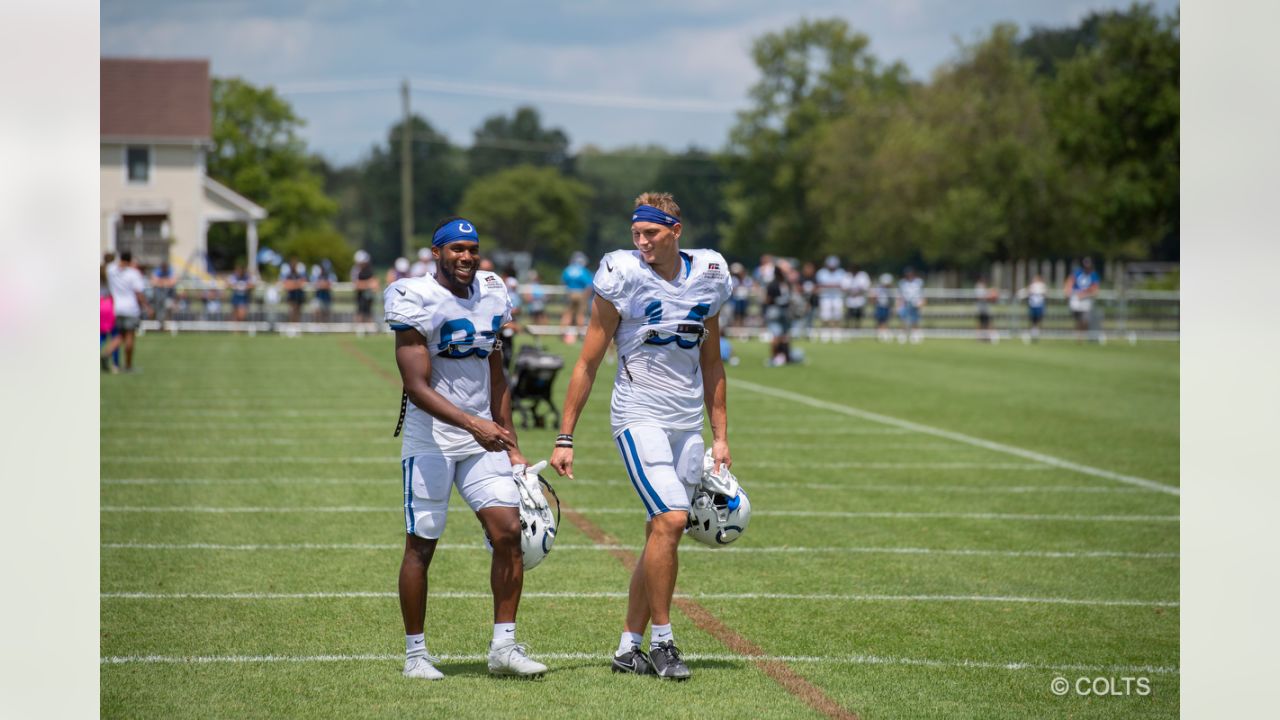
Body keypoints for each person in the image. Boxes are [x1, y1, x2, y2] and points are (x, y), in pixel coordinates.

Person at [550, 193, 733, 681]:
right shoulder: (622, 274)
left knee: (659, 533)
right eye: (636, 233)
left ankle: (627, 648)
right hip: (638, 416)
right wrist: (565, 435)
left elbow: (712, 362)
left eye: (650, 233)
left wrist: (720, 436)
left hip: (686, 422)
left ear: (676, 229)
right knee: (672, 520)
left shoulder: (711, 273)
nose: (641, 241)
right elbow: (587, 361)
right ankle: (663, 643)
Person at [384, 216, 547, 681]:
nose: (465, 257)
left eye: (472, 249)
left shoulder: (493, 292)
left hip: (483, 438)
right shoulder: (412, 296)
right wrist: (474, 424)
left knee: (508, 532)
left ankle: (504, 647)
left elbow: (497, 373)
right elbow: (415, 386)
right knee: (422, 544)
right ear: (436, 253)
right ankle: (416, 655)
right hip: (431, 436)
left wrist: (509, 440)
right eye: (456, 249)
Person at [105, 250, 151, 372]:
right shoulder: (133, 274)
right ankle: (128, 366)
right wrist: (147, 307)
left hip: (117, 308)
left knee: (121, 335)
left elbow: (110, 264)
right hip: (131, 308)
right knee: (129, 336)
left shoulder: (111, 270)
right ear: (130, 260)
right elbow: (139, 293)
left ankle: (106, 353)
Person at [763, 260, 795, 366]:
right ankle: (786, 357)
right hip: (785, 310)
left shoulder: (772, 284)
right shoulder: (786, 283)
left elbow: (767, 299)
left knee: (776, 336)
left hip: (774, 310)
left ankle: (774, 358)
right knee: (785, 336)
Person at [560, 251, 592, 343]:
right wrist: (586, 296)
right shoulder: (584, 271)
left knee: (568, 313)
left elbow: (564, 281)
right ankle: (580, 334)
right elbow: (588, 285)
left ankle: (563, 332)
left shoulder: (568, 269)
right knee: (580, 314)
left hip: (570, 292)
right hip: (581, 293)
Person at [1065, 257, 1100, 341]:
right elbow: (1070, 281)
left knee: (1085, 320)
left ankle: (1081, 336)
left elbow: (1095, 289)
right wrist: (1067, 291)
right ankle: (1078, 335)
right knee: (1078, 319)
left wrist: (1086, 294)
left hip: (1086, 299)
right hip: (1076, 298)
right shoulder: (1077, 272)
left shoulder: (1093, 274)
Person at [814, 255, 846, 336]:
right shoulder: (821, 272)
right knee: (825, 315)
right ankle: (825, 332)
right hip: (825, 297)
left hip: (837, 296)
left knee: (837, 315)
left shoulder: (841, 272)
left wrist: (830, 285)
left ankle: (836, 332)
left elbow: (843, 285)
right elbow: (819, 285)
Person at [100, 265, 121, 373]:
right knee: (115, 336)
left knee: (101, 336)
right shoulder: (113, 280)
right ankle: (115, 364)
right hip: (110, 306)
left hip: (100, 306)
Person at [897, 267, 925, 344]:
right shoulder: (902, 282)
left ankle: (915, 334)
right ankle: (903, 335)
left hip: (915, 303)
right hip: (905, 303)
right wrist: (899, 304)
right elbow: (900, 295)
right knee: (903, 319)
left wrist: (921, 302)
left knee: (915, 320)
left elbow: (922, 293)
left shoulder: (918, 282)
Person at [1017, 274, 1048, 342]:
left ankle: (1037, 334)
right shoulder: (1032, 286)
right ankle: (1033, 334)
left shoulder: (1042, 286)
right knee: (1032, 320)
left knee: (1038, 320)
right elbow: (1027, 292)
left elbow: (1045, 293)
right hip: (1033, 305)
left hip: (1039, 306)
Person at [352, 250, 379, 323]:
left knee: (369, 313)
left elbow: (375, 284)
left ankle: (370, 331)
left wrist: (367, 284)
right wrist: (368, 284)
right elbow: (356, 285)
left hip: (369, 297)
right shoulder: (355, 270)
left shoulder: (370, 269)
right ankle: (358, 330)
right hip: (360, 297)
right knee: (360, 313)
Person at [280, 256, 307, 323]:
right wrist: (296, 284)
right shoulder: (288, 275)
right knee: (291, 311)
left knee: (298, 311)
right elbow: (286, 285)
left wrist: (294, 284)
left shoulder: (299, 274)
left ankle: (296, 326)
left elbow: (303, 282)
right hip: (291, 296)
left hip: (299, 296)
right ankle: (291, 325)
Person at [844, 263, 871, 331]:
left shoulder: (863, 275)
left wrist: (857, 292)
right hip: (850, 300)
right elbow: (844, 287)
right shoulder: (847, 276)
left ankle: (858, 329)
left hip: (860, 299)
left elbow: (865, 287)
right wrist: (851, 292)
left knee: (858, 316)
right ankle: (848, 329)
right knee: (849, 316)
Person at [150, 261, 177, 327]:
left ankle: (166, 325)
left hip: (169, 296)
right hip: (158, 296)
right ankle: (160, 324)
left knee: (168, 308)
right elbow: (153, 282)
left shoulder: (171, 270)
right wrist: (166, 281)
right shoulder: (157, 270)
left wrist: (160, 281)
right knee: (158, 309)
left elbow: (173, 282)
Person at [974, 277, 999, 343]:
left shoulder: (984, 289)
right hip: (981, 310)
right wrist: (990, 295)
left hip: (985, 309)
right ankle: (980, 337)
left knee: (987, 323)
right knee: (981, 324)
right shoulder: (979, 288)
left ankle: (987, 337)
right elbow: (981, 297)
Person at [873, 273, 894, 342]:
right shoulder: (879, 288)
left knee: (886, 320)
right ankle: (880, 334)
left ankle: (885, 333)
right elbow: (875, 296)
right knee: (880, 320)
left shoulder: (890, 289)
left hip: (886, 306)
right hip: (879, 306)